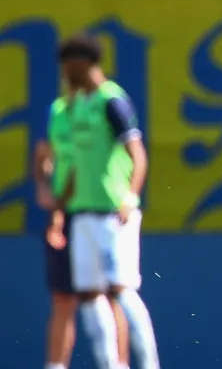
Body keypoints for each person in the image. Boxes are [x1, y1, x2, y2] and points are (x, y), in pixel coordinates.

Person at [47, 34, 160, 369]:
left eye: (69, 66)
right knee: (89, 295)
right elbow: (74, 168)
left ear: (83, 63)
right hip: (81, 214)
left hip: (114, 214)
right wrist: (58, 211)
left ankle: (150, 364)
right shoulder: (75, 105)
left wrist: (130, 196)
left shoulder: (113, 101)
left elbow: (137, 155)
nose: (65, 73)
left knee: (122, 291)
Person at [34, 85, 79, 369]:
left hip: (101, 216)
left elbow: (133, 153)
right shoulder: (59, 111)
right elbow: (42, 154)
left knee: (111, 296)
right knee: (63, 298)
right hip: (64, 218)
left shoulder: (110, 104)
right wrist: (42, 185)